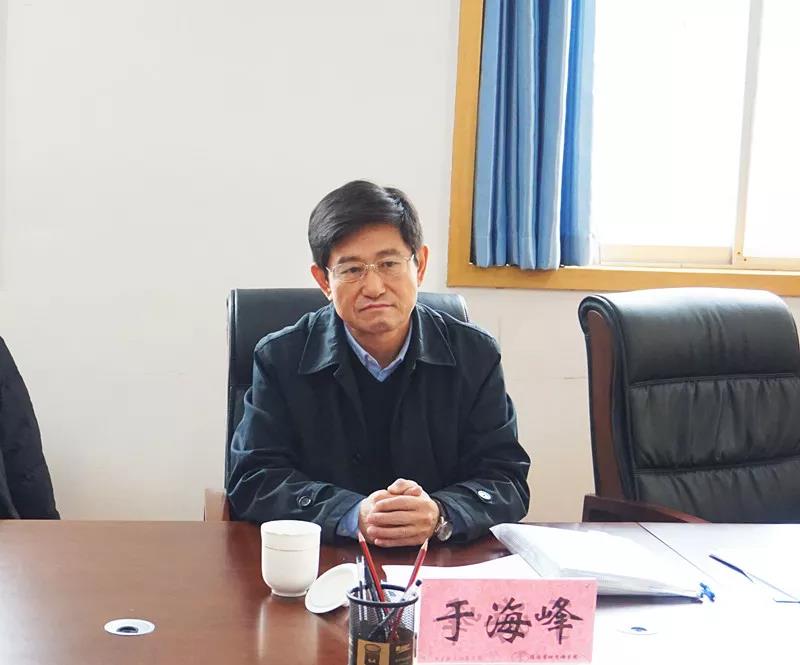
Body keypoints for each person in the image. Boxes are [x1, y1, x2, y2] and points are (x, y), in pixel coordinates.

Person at [227, 180, 530, 546]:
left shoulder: (475, 355)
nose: (373, 287)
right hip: (324, 560)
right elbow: (253, 479)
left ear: (420, 266)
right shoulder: (281, 358)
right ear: (324, 280)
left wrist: (441, 512)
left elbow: (506, 480)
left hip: (437, 561)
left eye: (389, 264)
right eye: (352, 269)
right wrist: (350, 513)